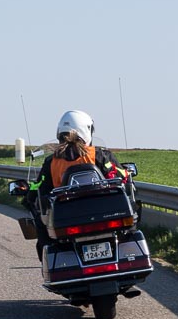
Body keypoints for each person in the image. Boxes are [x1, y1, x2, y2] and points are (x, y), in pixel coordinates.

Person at [25, 110, 128, 260]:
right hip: (102, 213)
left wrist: (29, 193)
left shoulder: (51, 161)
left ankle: (48, 258)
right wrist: (126, 173)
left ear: (60, 132)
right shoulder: (99, 155)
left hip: (66, 218)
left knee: (42, 223)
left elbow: (39, 186)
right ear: (87, 130)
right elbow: (120, 176)